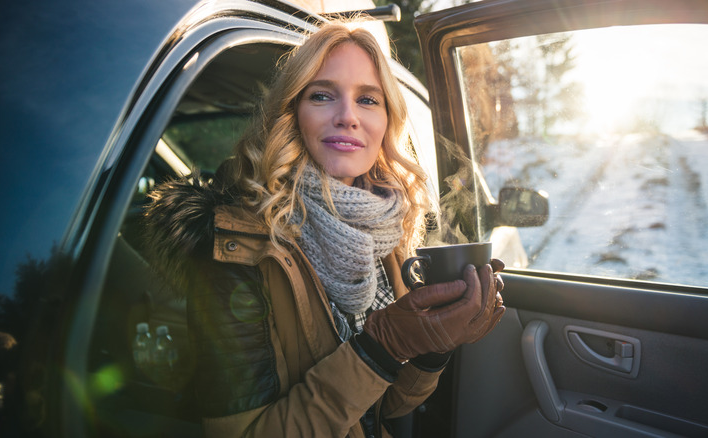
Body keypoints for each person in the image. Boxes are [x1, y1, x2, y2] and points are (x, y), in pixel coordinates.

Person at [144, 20, 506, 438]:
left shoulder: (390, 229)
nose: (348, 117)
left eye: (368, 99)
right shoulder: (238, 247)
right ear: (293, 113)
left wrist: (433, 345)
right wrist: (386, 344)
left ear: (387, 121)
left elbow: (382, 406)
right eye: (322, 95)